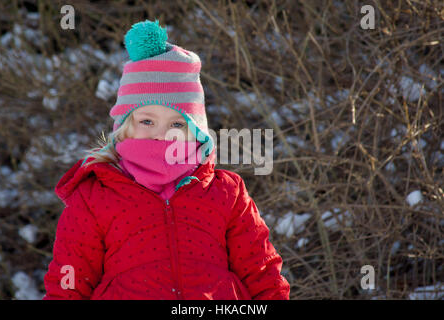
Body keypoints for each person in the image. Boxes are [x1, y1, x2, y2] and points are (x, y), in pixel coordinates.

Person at [42, 19, 290, 300]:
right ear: (125, 126)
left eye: (176, 124)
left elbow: (262, 274)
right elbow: (68, 285)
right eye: (147, 120)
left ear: (195, 131)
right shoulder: (93, 197)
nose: (161, 134)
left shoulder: (227, 193)